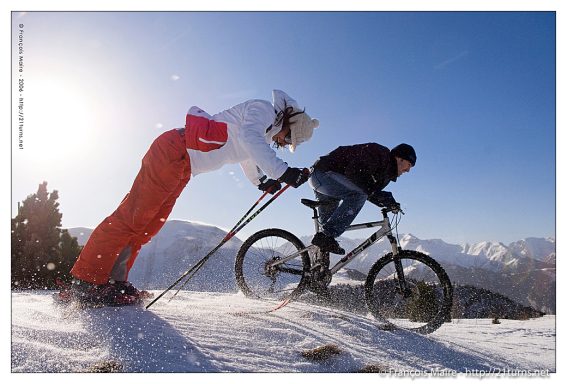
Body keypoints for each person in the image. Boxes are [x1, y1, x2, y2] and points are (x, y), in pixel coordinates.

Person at [62, 90, 319, 306]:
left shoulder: (263, 131)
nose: (283, 144)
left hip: (183, 166)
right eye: (288, 139)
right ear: (290, 121)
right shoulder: (263, 109)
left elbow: (248, 153)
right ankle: (85, 283)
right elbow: (248, 139)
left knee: (146, 227)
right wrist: (283, 171)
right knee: (132, 218)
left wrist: (261, 181)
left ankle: (114, 284)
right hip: (173, 150)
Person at [308, 142, 416, 255]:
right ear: (399, 158)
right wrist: (375, 193)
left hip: (327, 181)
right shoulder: (379, 154)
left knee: (326, 236)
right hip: (323, 173)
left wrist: (386, 201)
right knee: (357, 196)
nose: (408, 170)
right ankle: (326, 236)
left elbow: (370, 192)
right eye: (409, 165)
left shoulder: (386, 175)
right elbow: (354, 172)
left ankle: (319, 267)